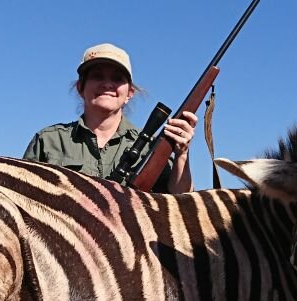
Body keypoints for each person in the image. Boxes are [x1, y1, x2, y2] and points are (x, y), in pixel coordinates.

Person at [23, 43, 197, 193]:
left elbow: (181, 198)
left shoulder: (151, 148)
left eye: (117, 78)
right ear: (80, 88)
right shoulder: (48, 140)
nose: (107, 84)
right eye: (97, 76)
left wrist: (182, 154)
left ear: (129, 93)